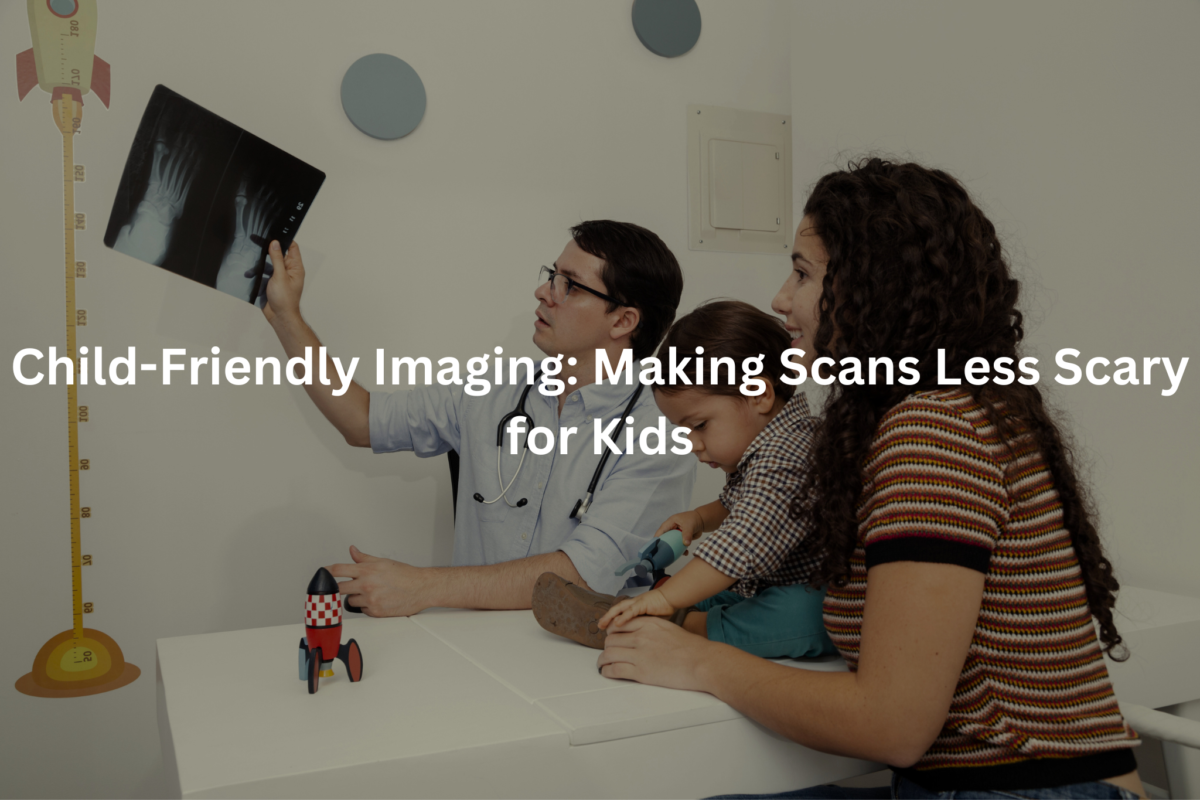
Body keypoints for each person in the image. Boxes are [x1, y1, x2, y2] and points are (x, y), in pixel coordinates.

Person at [597, 160, 1145, 799]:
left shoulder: (935, 432)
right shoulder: (931, 416)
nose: (780, 299)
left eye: (802, 273)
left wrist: (699, 660)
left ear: (873, 288)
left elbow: (891, 726)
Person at [260, 220, 696, 615]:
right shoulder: (492, 391)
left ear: (623, 320)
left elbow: (580, 575)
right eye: (552, 276)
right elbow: (361, 419)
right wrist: (287, 317)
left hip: (586, 662)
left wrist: (422, 586)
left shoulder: (662, 432)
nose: (544, 292)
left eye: (571, 285)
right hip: (470, 651)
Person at [532, 300, 835, 661]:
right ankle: (648, 608)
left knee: (801, 614)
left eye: (700, 425)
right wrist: (701, 518)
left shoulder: (789, 455)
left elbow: (739, 546)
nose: (691, 443)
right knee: (723, 593)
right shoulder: (769, 446)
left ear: (759, 394)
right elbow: (741, 504)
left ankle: (672, 621)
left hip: (816, 593)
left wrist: (663, 598)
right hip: (769, 582)